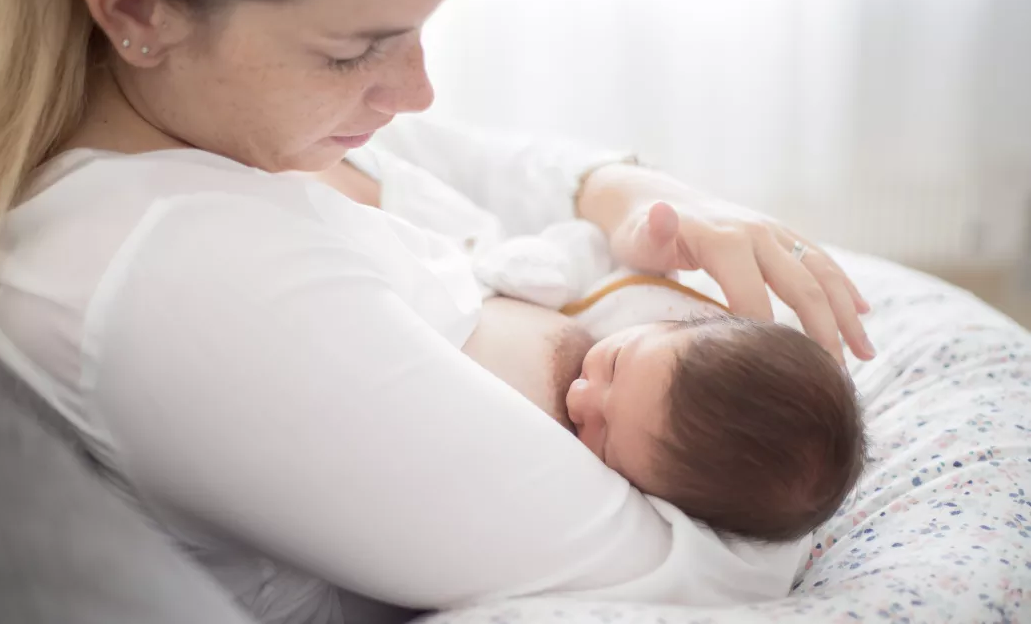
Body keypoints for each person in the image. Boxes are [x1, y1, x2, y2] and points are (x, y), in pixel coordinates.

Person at [0, 0, 877, 621]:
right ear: (141, 12)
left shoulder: (220, 120)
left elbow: (499, 166)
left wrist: (636, 198)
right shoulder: (173, 277)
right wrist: (774, 446)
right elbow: (697, 569)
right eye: (359, 50)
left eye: (424, 25)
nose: (419, 90)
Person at [330, 147, 867, 544]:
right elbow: (584, 246)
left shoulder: (679, 471)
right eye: (612, 364)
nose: (582, 398)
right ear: (681, 320)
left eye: (603, 436)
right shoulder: (657, 300)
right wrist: (546, 266)